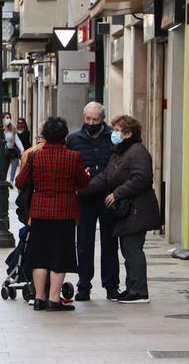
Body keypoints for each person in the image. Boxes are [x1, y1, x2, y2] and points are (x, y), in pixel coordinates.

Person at [78, 115, 162, 304]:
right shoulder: (120, 152)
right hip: (128, 211)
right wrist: (80, 191)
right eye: (114, 129)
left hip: (137, 210)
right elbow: (105, 178)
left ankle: (139, 291)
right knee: (128, 249)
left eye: (117, 130)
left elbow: (143, 177)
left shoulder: (137, 151)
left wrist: (117, 194)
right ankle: (132, 288)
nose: (113, 133)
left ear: (128, 133)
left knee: (132, 249)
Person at [15, 117, 90, 312]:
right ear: (64, 135)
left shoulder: (34, 157)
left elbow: (20, 182)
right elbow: (83, 183)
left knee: (39, 255)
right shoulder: (73, 157)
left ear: (44, 136)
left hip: (39, 211)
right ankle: (54, 299)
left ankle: (39, 298)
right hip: (65, 213)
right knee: (60, 255)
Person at [66, 101, 119, 301]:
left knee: (110, 243)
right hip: (84, 199)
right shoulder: (73, 139)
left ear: (102, 119)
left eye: (95, 119)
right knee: (84, 244)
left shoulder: (113, 138)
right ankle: (84, 285)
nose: (91, 122)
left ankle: (111, 285)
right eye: (88, 118)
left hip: (108, 198)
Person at [4, 120, 26, 184]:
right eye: (7, 126)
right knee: (5, 167)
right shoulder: (3, 132)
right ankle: (4, 180)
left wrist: (22, 149)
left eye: (9, 125)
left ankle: (11, 180)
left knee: (14, 165)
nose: (9, 127)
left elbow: (17, 141)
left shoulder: (13, 132)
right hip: (4, 152)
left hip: (11, 151)